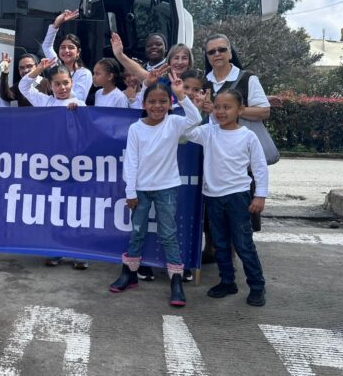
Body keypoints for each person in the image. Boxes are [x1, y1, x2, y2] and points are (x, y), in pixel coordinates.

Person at [109, 71, 202, 306]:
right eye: (152, 101)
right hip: (140, 190)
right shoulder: (136, 129)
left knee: (168, 234)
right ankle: (129, 274)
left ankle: (176, 280)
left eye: (163, 101)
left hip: (167, 189)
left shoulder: (175, 123)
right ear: (143, 104)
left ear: (170, 105)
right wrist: (130, 191)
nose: (157, 106)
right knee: (137, 231)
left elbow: (195, 119)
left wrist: (181, 96)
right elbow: (131, 162)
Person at [184, 89, 268, 306]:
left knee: (243, 244)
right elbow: (187, 131)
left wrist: (260, 195)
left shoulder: (248, 136)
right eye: (218, 106)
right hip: (212, 197)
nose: (221, 111)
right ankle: (227, 281)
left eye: (227, 107)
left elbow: (259, 167)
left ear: (240, 110)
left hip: (238, 197)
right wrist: (194, 106)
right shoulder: (209, 132)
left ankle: (257, 286)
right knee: (220, 243)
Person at [19, 57, 87, 268]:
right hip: (51, 163)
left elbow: (88, 132)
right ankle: (57, 250)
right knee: (56, 208)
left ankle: (79, 252)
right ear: (50, 85)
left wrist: (80, 114)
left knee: (76, 208)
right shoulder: (46, 101)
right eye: (57, 84)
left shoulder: (80, 104)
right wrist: (39, 68)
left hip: (75, 164)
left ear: (72, 83)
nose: (62, 87)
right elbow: (23, 86)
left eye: (65, 83)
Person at [202, 33, 270, 232]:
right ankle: (211, 248)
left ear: (230, 53)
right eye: (211, 51)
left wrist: (230, 111)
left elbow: (264, 110)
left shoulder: (247, 79)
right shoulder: (203, 82)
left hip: (237, 154)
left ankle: (233, 252)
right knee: (211, 207)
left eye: (222, 49)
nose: (217, 54)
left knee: (237, 213)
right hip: (210, 152)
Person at [41, 10, 92, 102]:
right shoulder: (57, 66)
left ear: (78, 52)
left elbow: (79, 98)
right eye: (63, 47)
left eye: (71, 47)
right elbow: (46, 46)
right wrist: (56, 25)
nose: (66, 51)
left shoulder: (84, 73)